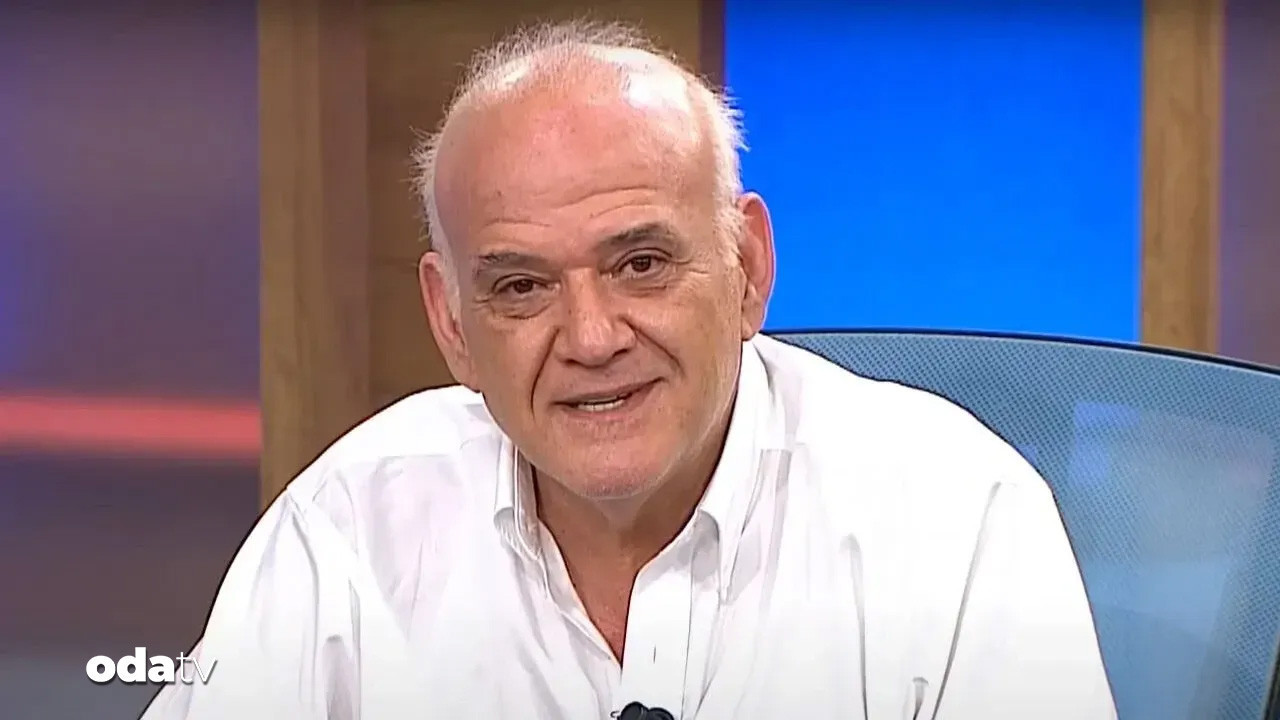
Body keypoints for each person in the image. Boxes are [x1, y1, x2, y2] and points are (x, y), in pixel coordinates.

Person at [142, 19, 1116, 720]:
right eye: (521, 287)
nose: (592, 336)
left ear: (747, 268)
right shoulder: (349, 527)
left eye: (640, 264)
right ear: (451, 323)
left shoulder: (955, 516)